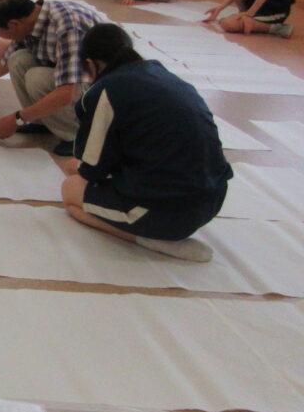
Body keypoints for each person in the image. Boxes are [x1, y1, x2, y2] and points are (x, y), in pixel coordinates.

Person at [60, 24, 231, 263]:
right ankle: (156, 225)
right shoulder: (160, 73)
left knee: (70, 188)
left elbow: (91, 169)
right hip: (212, 200)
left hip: (167, 214)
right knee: (76, 169)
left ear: (90, 63)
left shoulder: (107, 90)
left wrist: (82, 168)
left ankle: (150, 240)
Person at [0, 0, 106, 157]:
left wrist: (18, 118)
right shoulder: (31, 21)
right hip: (70, 78)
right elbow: (3, 64)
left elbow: (67, 92)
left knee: (36, 78)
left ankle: (77, 136)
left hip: (99, 89)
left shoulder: (68, 27)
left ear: (13, 24)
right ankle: (43, 121)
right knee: (18, 59)